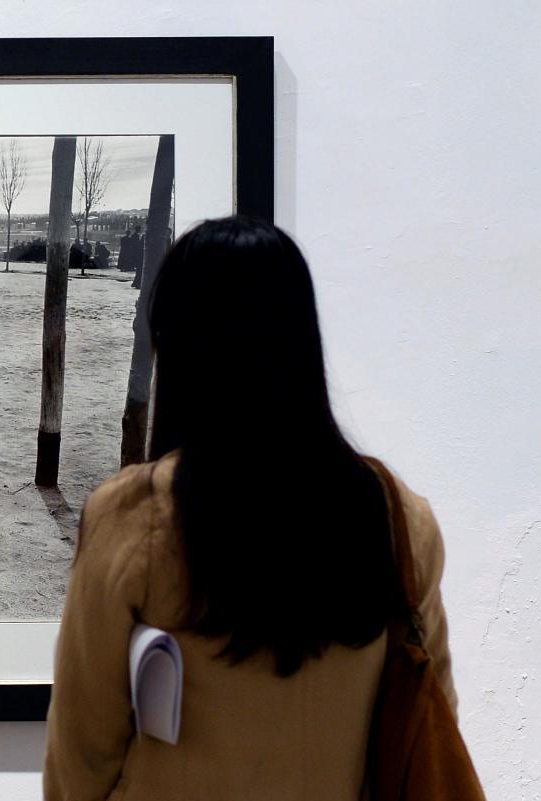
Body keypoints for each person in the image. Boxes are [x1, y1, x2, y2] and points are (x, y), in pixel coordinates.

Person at [43, 217, 457, 801]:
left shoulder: (135, 515)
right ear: (302, 339)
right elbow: (431, 713)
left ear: (175, 346)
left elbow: (82, 754)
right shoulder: (398, 517)